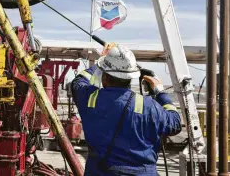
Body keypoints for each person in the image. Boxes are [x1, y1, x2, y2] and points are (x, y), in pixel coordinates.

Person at [69, 43, 182, 175]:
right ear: (131, 78)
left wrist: (102, 61)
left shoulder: (90, 100)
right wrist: (160, 92)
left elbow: (78, 81)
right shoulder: (148, 106)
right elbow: (175, 123)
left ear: (105, 76)